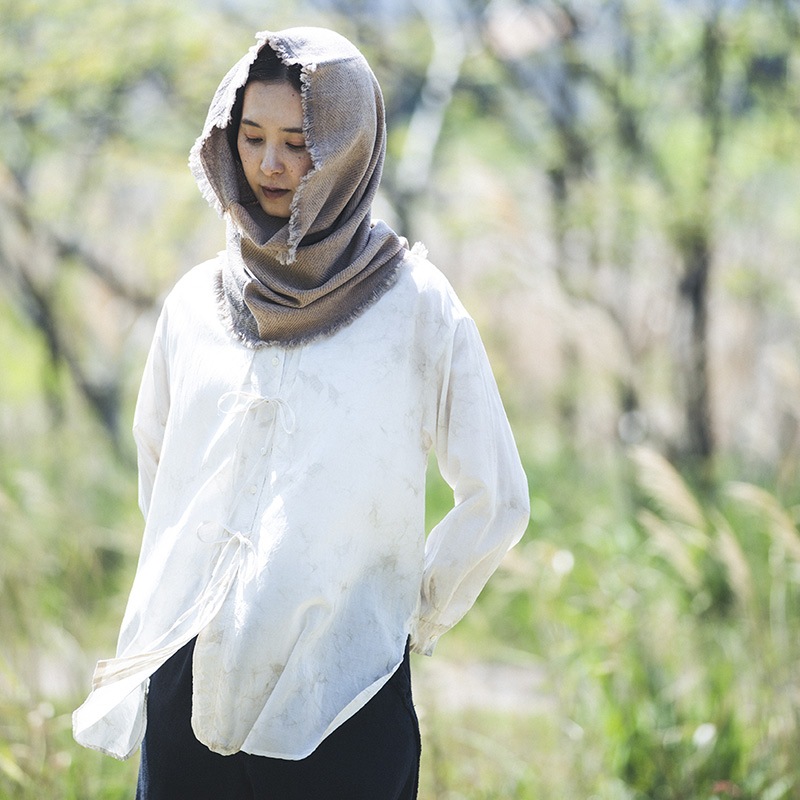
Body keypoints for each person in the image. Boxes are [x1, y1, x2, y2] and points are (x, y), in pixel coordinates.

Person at [73, 26, 529, 800]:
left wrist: (407, 617)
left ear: (351, 146)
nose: (270, 165)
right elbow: (163, 477)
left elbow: (498, 497)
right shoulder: (194, 304)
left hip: (344, 696)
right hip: (190, 687)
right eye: (252, 137)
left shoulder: (416, 308)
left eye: (298, 142)